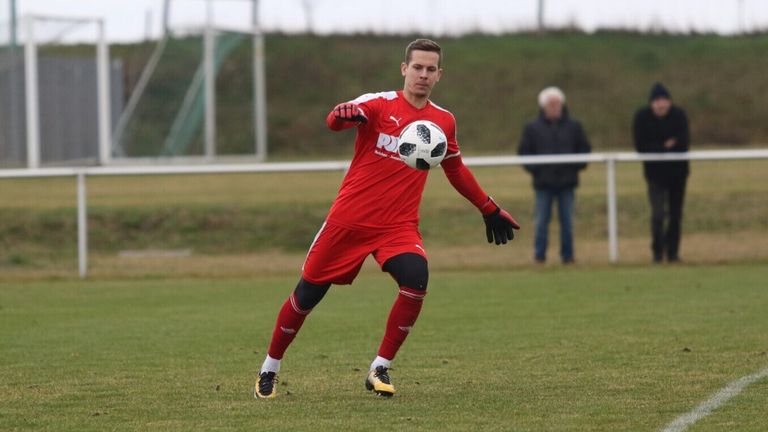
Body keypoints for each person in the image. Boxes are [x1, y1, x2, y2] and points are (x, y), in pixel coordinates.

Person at [254, 39, 520, 399]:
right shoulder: (378, 104)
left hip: (397, 227)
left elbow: (455, 169)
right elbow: (335, 120)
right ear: (404, 69)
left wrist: (488, 207)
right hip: (348, 222)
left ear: (439, 75)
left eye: (430, 69)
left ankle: (380, 367)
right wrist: (342, 114)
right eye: (417, 68)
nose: (423, 75)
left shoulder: (443, 121)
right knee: (307, 294)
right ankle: (269, 368)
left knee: (416, 278)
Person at [517, 87, 591, 264]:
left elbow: (584, 150)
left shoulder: (574, 126)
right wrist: (536, 169)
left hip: (567, 183)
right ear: (543, 106)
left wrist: (575, 167)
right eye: (551, 104)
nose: (555, 107)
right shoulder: (532, 128)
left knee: (568, 223)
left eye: (557, 104)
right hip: (543, 184)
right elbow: (524, 152)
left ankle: (568, 256)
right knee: (541, 222)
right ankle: (539, 256)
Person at [632, 82, 690, 263]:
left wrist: (659, 146)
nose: (661, 104)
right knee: (658, 214)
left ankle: (673, 253)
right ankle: (657, 252)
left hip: (678, 174)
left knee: (675, 215)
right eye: (657, 100)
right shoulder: (642, 117)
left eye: (664, 100)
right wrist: (664, 146)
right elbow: (641, 146)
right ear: (651, 103)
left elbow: (684, 141)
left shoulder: (679, 115)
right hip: (655, 175)